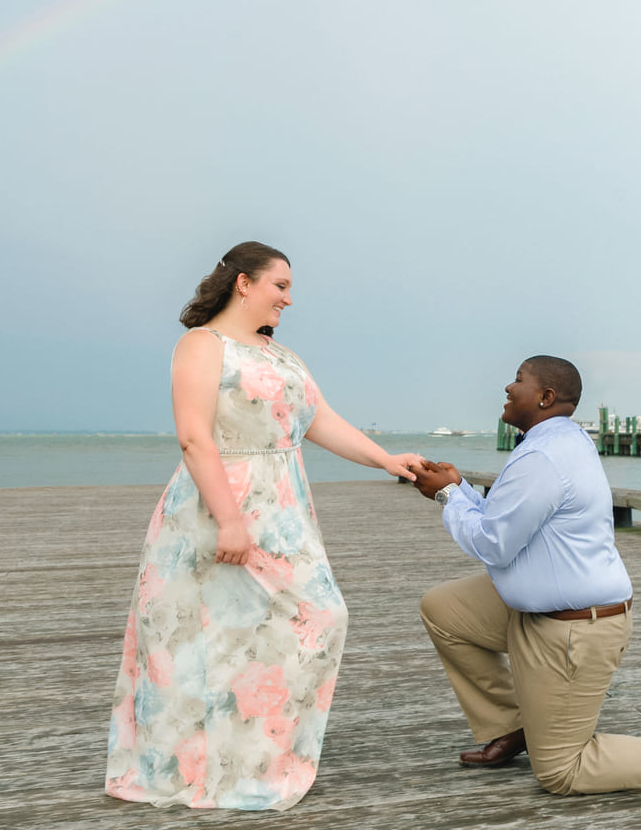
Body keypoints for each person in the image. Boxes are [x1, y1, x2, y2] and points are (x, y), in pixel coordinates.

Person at [105, 241, 422, 811]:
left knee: (317, 617)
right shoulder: (201, 346)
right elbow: (194, 436)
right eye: (281, 286)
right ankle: (198, 766)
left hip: (282, 511)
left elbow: (320, 421)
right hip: (217, 506)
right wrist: (228, 519)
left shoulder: (283, 356)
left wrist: (387, 461)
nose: (289, 299)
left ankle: (256, 759)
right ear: (244, 283)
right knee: (202, 638)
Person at [411, 356, 641, 798]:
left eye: (519, 381)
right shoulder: (559, 441)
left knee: (562, 771)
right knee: (443, 610)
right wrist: (460, 487)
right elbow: (506, 518)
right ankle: (515, 726)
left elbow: (492, 544)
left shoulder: (542, 456)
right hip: (538, 611)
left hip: (573, 630)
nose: (508, 386)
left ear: (545, 397)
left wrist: (446, 496)